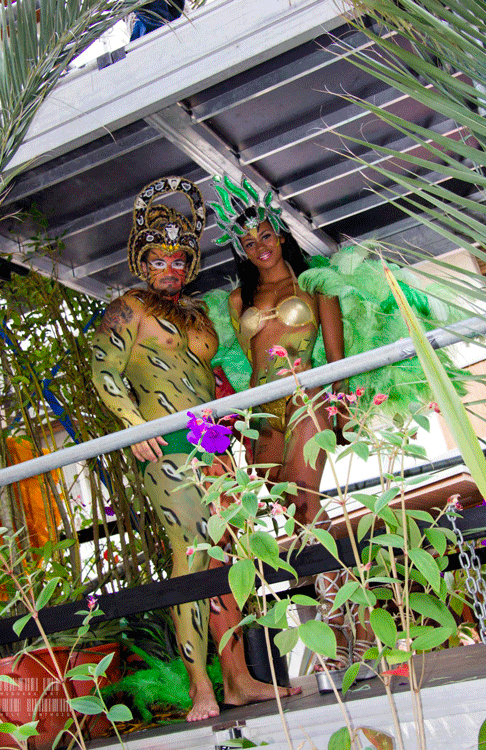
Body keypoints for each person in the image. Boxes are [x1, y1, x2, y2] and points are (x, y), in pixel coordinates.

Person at [91, 176, 300, 722]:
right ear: (141, 262)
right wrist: (133, 425)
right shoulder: (127, 309)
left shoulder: (198, 313)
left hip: (214, 443)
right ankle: (200, 689)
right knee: (192, 556)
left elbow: (214, 377)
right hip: (165, 446)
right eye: (159, 259)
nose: (171, 268)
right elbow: (104, 372)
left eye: (180, 259)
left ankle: (238, 681)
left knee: (229, 556)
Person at [205, 175, 374, 675]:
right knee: (288, 516)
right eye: (248, 241)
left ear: (280, 234)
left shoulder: (315, 282)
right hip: (262, 412)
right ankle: (350, 626)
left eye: (265, 235)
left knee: (307, 502)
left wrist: (341, 408)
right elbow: (247, 361)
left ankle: (340, 635)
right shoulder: (238, 300)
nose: (259, 246)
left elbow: (336, 356)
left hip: (306, 396)